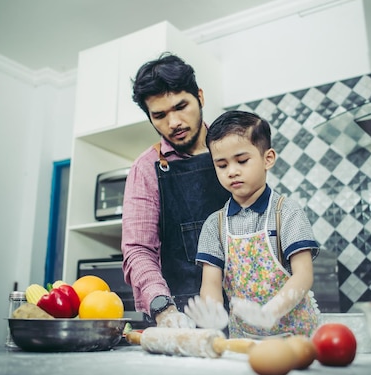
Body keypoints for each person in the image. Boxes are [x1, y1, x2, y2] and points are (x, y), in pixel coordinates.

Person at [121, 52, 230, 328]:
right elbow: (138, 251)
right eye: (159, 115)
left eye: (181, 106)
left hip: (248, 312)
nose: (174, 123)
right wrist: (163, 309)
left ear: (200, 97)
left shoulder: (234, 151)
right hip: (181, 318)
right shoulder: (147, 168)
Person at [190, 110, 320, 338]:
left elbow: (304, 275)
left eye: (242, 161)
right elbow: (211, 283)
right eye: (221, 165)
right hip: (243, 341)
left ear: (267, 159)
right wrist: (212, 313)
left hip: (296, 338)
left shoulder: (287, 212)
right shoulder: (214, 225)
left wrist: (271, 311)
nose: (232, 171)